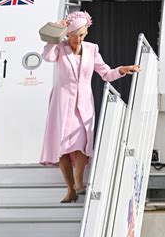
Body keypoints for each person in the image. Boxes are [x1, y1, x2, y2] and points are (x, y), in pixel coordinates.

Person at [39, 11, 140, 203]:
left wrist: (122, 70)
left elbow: (106, 73)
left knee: (81, 143)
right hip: (62, 103)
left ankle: (79, 184)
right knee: (62, 147)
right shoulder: (59, 48)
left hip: (84, 103)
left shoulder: (92, 49)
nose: (79, 38)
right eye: (75, 35)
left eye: (83, 34)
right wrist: (55, 30)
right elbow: (47, 56)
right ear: (67, 34)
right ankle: (71, 189)